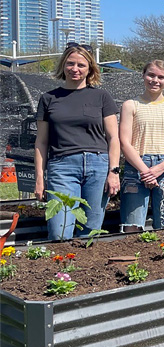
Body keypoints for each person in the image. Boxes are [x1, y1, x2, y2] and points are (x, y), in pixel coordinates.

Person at [34, 44, 120, 240]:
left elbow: (113, 138)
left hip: (97, 166)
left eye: (81, 65)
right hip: (62, 167)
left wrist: (114, 172)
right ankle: (61, 270)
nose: (75, 69)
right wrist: (40, 178)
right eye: (70, 63)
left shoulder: (101, 97)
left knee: (90, 232)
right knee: (59, 232)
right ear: (63, 65)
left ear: (90, 69)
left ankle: (84, 270)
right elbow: (41, 142)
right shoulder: (48, 99)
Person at [119, 60, 164, 231]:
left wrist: (160, 168)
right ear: (143, 75)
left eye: (161, 77)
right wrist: (145, 171)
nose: (155, 80)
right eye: (151, 75)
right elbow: (124, 142)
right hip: (136, 169)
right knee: (132, 228)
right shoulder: (131, 105)